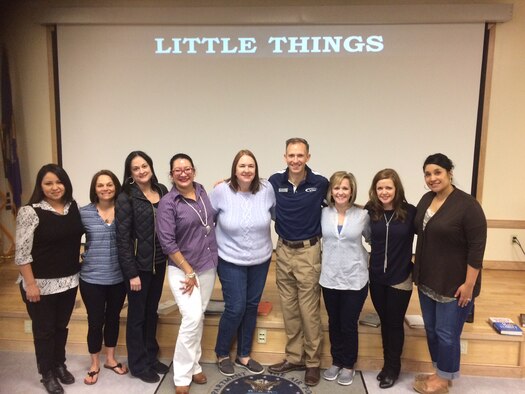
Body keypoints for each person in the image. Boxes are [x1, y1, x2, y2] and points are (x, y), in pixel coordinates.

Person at [413, 153, 487, 394]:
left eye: (437, 173)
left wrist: (469, 285)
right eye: (428, 174)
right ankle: (440, 371)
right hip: (428, 280)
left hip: (455, 284)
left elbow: (477, 248)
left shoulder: (468, 205)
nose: (432, 178)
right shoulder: (426, 200)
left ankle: (444, 380)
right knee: (433, 330)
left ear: (449, 173)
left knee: (447, 334)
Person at [15, 164, 84, 394]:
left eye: (59, 182)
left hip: (69, 281)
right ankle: (47, 373)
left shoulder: (72, 207)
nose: (55, 187)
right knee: (44, 331)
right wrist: (31, 284)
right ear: (40, 186)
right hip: (40, 284)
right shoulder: (30, 212)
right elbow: (22, 253)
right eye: (48, 183)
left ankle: (59, 364)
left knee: (60, 327)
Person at [267, 138, 329, 387]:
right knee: (289, 308)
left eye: (300, 155)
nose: (295, 160)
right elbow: (248, 186)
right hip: (282, 250)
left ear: (308, 157)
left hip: (308, 252)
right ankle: (294, 357)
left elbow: (343, 194)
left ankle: (313, 362)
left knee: (309, 310)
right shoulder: (274, 182)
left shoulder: (320, 183)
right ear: (284, 157)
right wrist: (225, 183)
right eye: (291, 156)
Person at [156, 153, 218, 394]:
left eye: (187, 168)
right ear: (171, 175)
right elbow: (167, 242)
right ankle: (182, 374)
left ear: (194, 170)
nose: (183, 173)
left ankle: (194, 365)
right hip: (183, 269)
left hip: (207, 264)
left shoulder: (202, 191)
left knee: (198, 315)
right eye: (177, 170)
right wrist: (188, 271)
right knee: (191, 317)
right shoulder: (168, 203)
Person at [211, 149, 276, 376]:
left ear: (256, 169)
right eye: (242, 166)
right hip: (230, 259)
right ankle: (221, 352)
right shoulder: (221, 191)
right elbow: (206, 219)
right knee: (235, 307)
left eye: (251, 166)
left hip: (261, 259)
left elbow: (279, 214)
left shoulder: (267, 190)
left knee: (250, 306)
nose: (247, 170)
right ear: (234, 170)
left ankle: (244, 355)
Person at [115, 151, 169, 383]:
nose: (141, 171)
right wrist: (132, 273)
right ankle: (137, 364)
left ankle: (150, 355)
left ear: (151, 166)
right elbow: (123, 239)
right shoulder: (126, 196)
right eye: (135, 168)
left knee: (151, 311)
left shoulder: (162, 191)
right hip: (138, 268)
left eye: (144, 166)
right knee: (137, 316)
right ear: (130, 173)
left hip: (159, 263)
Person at [365, 169, 416, 389]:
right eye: (380, 188)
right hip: (376, 276)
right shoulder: (370, 211)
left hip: (400, 277)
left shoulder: (410, 212)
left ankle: (392, 368)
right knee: (384, 320)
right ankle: (387, 364)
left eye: (388, 187)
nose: (384, 192)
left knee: (394, 323)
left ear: (397, 189)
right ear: (374, 190)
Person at [320, 171, 370, 386]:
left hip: (355, 278)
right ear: (331, 191)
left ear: (352, 192)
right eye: (337, 188)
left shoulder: (363, 215)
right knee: (334, 322)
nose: (340, 192)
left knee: (348, 324)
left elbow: (373, 239)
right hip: (330, 277)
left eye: (345, 188)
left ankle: (348, 364)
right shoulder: (323, 213)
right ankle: (336, 361)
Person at [80, 170, 128, 385]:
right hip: (91, 278)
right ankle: (94, 363)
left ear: (116, 186)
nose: (105, 188)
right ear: (94, 189)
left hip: (118, 278)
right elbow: (70, 241)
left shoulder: (125, 211)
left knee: (113, 319)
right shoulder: (83, 213)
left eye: (109, 184)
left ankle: (109, 358)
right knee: (94, 322)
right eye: (100, 185)